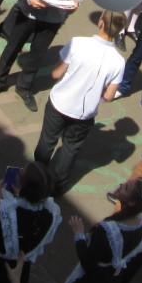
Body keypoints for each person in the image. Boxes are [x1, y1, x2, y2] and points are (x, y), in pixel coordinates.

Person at [33, 11, 127, 194]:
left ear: (101, 22)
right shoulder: (118, 62)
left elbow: (55, 74)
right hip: (84, 114)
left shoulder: (78, 43)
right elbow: (108, 96)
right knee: (70, 150)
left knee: (47, 141)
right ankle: (57, 188)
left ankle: (37, 177)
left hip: (59, 103)